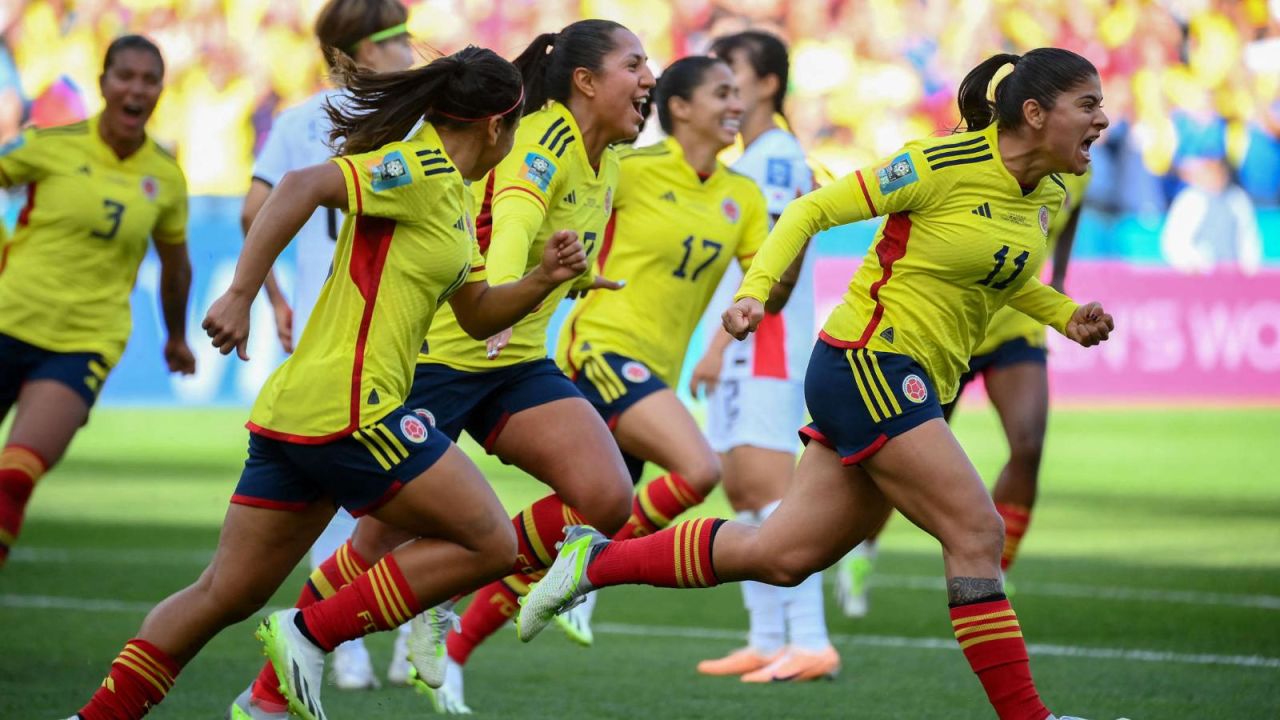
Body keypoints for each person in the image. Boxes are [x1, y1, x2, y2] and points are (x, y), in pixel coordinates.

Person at [519, 48, 1119, 720]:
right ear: (1035, 114)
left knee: (782, 555)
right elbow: (808, 213)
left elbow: (1003, 276)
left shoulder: (1044, 194)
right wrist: (753, 295)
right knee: (975, 532)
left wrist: (1066, 315)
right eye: (1088, 105)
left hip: (913, 376)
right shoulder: (939, 163)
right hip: (869, 363)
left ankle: (591, 564)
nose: (1103, 120)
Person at [67, 45, 590, 720]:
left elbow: (475, 310)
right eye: (513, 127)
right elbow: (301, 186)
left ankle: (101, 717)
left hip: (308, 410)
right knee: (490, 542)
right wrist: (240, 293)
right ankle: (309, 634)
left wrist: (544, 279)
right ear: (496, 126)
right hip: (354, 406)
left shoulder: (453, 198)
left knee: (225, 592)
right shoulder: (418, 167)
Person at [231, 19, 655, 716]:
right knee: (371, 545)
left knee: (607, 496)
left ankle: (438, 595)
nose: (649, 78)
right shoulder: (540, 138)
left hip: (514, 360)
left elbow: (532, 240)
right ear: (585, 80)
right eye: (635, 63)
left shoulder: (607, 159)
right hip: (448, 356)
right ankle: (269, 694)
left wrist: (568, 279)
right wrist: (525, 279)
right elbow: (513, 220)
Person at [241, 0, 417, 695]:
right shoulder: (412, 117)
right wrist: (277, 300)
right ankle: (386, 640)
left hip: (337, 333)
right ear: (353, 52)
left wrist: (277, 298)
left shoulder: (295, 124)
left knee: (354, 499)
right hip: (380, 336)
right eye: (393, 37)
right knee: (405, 489)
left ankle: (356, 647)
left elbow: (257, 209)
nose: (408, 47)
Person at [832, 168, 1091, 619]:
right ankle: (861, 554)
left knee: (1028, 445)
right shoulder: (964, 165)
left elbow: (1071, 211)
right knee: (906, 467)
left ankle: (995, 573)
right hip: (947, 334)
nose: (1098, 124)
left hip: (1016, 326)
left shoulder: (1073, 171)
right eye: (1086, 107)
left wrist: (1061, 279)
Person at [0, 35, 194, 569]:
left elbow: (176, 267)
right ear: (103, 83)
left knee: (14, 476)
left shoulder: (166, 176)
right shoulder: (48, 144)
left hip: (82, 341)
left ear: (159, 90)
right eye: (124, 76)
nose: (136, 88)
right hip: (7, 318)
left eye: (148, 79)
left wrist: (177, 338)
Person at [686, 29, 839, 681]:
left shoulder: (775, 157)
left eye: (733, 73)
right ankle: (767, 635)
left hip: (763, 341)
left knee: (772, 491)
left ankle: (809, 639)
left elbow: (774, 266)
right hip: (752, 340)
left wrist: (721, 343)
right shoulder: (754, 156)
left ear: (768, 83)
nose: (725, 87)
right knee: (747, 487)